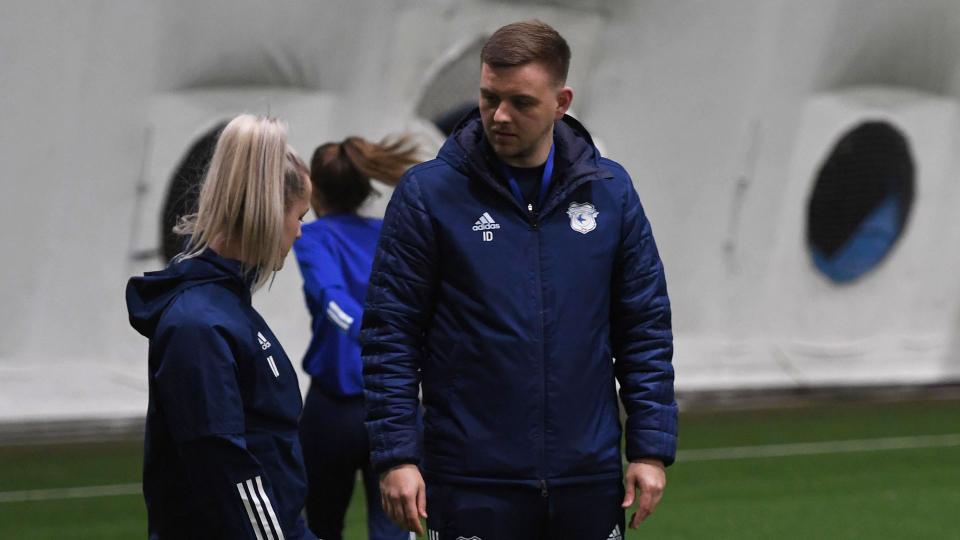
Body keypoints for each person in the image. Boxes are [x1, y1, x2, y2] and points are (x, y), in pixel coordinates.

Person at [362, 20, 677, 539]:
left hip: (587, 478)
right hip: (471, 480)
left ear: (562, 101)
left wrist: (649, 449)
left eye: (521, 102)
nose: (499, 115)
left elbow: (644, 326)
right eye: (489, 98)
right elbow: (390, 334)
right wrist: (397, 455)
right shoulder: (429, 195)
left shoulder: (611, 193)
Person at [126, 114, 317, 540]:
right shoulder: (199, 325)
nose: (300, 232)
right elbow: (224, 466)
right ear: (268, 213)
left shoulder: (229, 310)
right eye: (299, 215)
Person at [294, 136, 419, 540]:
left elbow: (330, 298)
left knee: (320, 526)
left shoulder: (312, 239)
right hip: (396, 403)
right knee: (394, 528)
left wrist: (365, 332)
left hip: (333, 409)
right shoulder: (390, 233)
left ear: (313, 189)